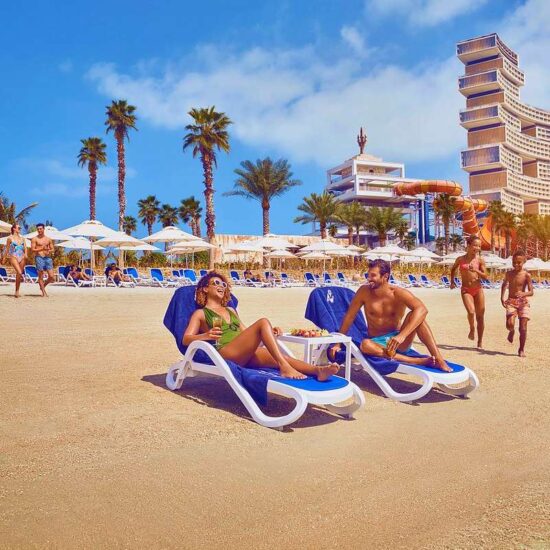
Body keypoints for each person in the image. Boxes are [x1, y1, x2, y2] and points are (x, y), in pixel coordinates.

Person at [184, 271, 340, 380]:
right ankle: (284, 367)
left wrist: (268, 332)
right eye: (216, 283)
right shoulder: (201, 313)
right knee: (263, 322)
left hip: (243, 352)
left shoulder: (230, 310)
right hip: (226, 353)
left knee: (280, 357)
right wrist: (205, 335)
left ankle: (318, 371)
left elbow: (245, 332)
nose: (221, 286)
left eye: (223, 284)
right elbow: (186, 339)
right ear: (205, 288)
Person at [329, 259, 451, 372]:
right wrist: (338, 343)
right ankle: (415, 361)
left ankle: (438, 358)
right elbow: (349, 316)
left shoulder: (398, 293)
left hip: (398, 342)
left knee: (418, 318)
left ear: (385, 276)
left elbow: (422, 309)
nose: (369, 279)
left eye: (373, 275)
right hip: (377, 343)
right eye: (368, 275)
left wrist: (402, 336)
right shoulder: (364, 292)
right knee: (365, 345)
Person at [450, 235, 487, 348]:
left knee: (480, 317)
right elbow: (453, 269)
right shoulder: (460, 259)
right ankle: (472, 328)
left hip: (478, 289)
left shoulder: (480, 260)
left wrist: (476, 270)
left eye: (479, 246)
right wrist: (452, 281)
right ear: (469, 245)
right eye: (475, 245)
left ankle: (480, 341)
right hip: (466, 290)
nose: (477, 248)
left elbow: (485, 276)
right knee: (471, 312)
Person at [500, 249, 534, 357]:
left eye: (519, 262)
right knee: (510, 324)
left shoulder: (526, 275)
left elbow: (531, 292)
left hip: (523, 302)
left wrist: (524, 294)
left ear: (524, 262)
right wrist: (502, 297)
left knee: (523, 328)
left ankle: (521, 349)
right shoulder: (509, 273)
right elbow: (504, 285)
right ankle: (511, 331)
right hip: (511, 301)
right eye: (514, 262)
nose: (516, 264)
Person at [1, 223, 27, 297]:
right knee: (19, 272)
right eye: (19, 228)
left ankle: (17, 291)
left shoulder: (22, 238)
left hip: (22, 257)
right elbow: (7, 249)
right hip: (13, 256)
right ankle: (17, 291)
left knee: (19, 274)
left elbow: (25, 247)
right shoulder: (10, 238)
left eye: (20, 228)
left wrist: (26, 254)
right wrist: (4, 258)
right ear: (14, 229)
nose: (20, 229)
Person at [31, 223, 55, 297]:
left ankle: (43, 286)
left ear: (44, 229)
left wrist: (49, 250)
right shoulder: (34, 239)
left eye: (40, 229)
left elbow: (53, 249)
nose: (39, 230)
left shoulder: (48, 239)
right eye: (38, 229)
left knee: (51, 276)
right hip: (39, 257)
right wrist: (42, 248)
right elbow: (32, 249)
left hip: (48, 258)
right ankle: (44, 293)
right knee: (41, 275)